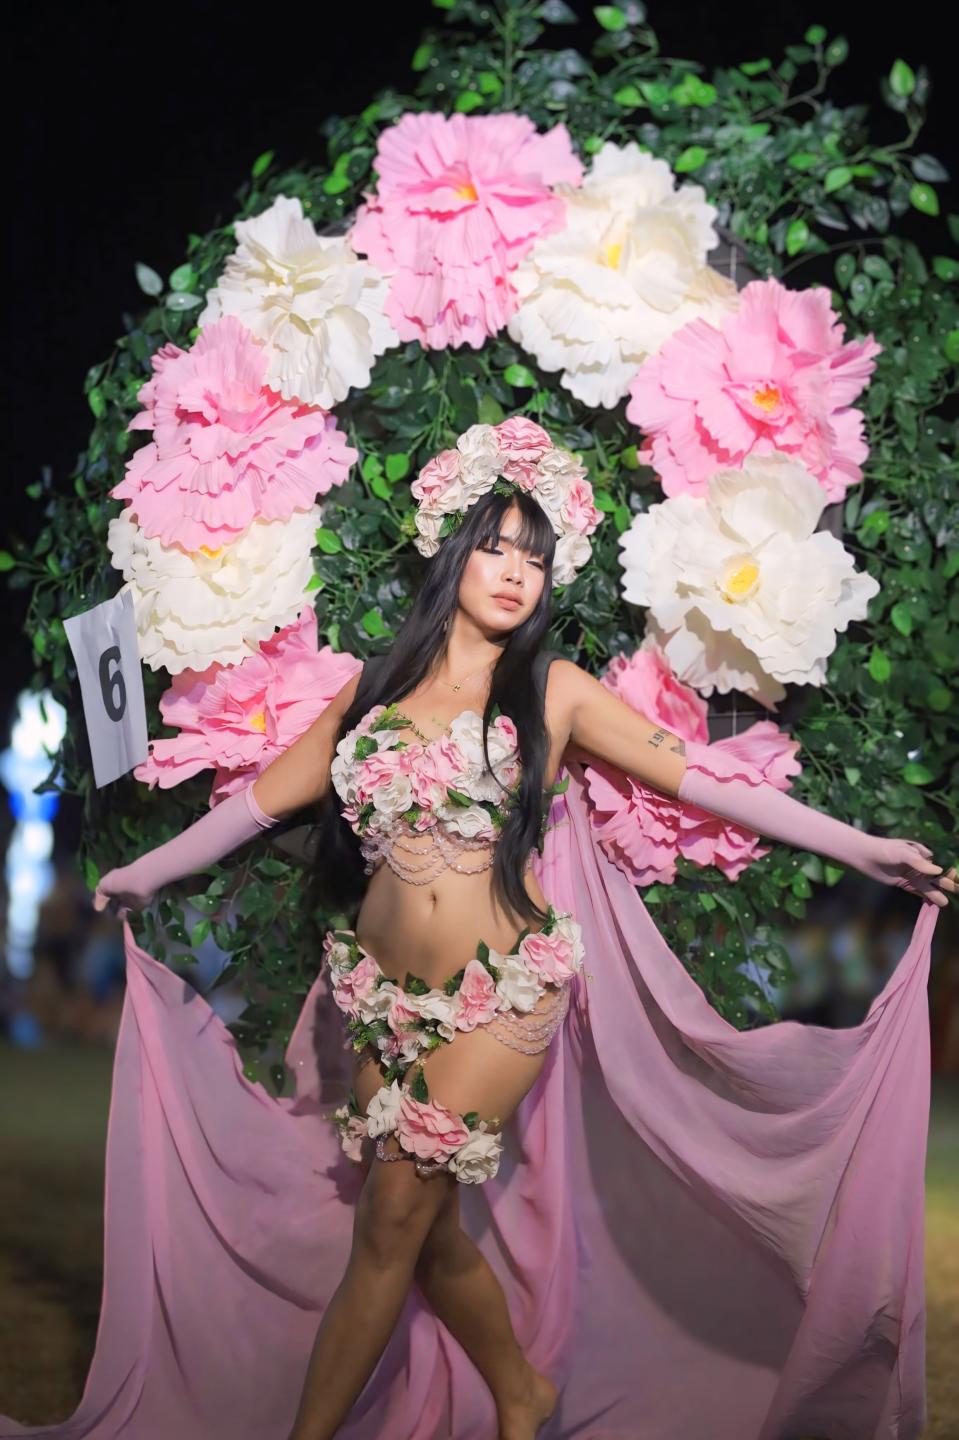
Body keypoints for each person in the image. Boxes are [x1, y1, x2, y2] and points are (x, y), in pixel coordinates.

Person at [2, 426, 954, 1440]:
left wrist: (862, 848)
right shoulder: (371, 690)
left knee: (387, 1225)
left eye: (533, 559)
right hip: (378, 997)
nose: (513, 573)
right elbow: (258, 804)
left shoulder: (552, 692)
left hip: (500, 995)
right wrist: (143, 873)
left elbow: (703, 780)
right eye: (495, 547)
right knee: (416, 1225)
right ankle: (518, 1388)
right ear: (452, 552)